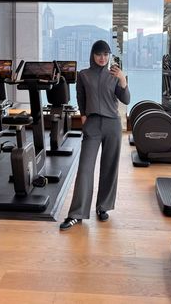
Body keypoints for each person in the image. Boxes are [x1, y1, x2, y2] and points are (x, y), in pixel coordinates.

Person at [59, 39, 130, 231]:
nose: (102, 58)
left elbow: (126, 99)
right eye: (99, 54)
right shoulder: (83, 75)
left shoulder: (114, 75)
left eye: (106, 54)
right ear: (92, 55)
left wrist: (123, 80)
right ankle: (76, 214)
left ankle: (103, 207)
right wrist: (83, 117)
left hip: (112, 125)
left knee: (109, 167)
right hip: (93, 125)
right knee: (85, 168)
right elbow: (80, 97)